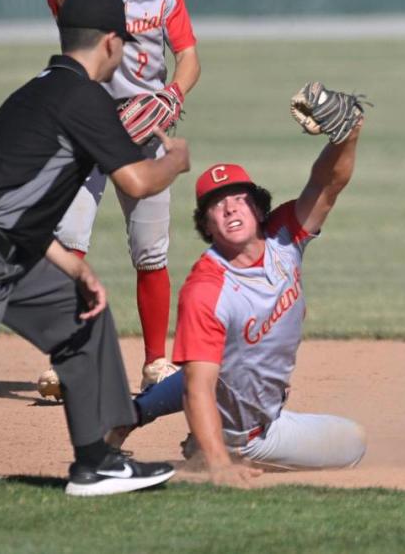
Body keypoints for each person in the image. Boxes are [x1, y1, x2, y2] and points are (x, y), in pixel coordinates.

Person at [0, 0, 190, 496]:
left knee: (83, 317)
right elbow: (137, 182)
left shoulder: (39, 90)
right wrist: (175, 159)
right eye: (123, 44)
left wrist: (75, 268)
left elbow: (9, 202)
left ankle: (96, 461)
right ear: (110, 42)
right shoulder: (83, 97)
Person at [108, 91, 367, 485]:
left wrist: (348, 134)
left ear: (258, 209)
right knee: (354, 445)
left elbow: (327, 184)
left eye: (238, 199)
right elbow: (196, 383)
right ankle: (215, 446)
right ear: (206, 226)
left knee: (228, 357)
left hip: (262, 409)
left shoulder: (284, 237)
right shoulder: (206, 289)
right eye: (216, 205)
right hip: (249, 435)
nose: (229, 208)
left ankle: (185, 432)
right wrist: (219, 466)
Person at [43, 0, 200, 387]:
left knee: (151, 251)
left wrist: (171, 95)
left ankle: (155, 363)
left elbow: (188, 56)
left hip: (144, 126)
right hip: (83, 124)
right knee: (70, 240)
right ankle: (65, 358)